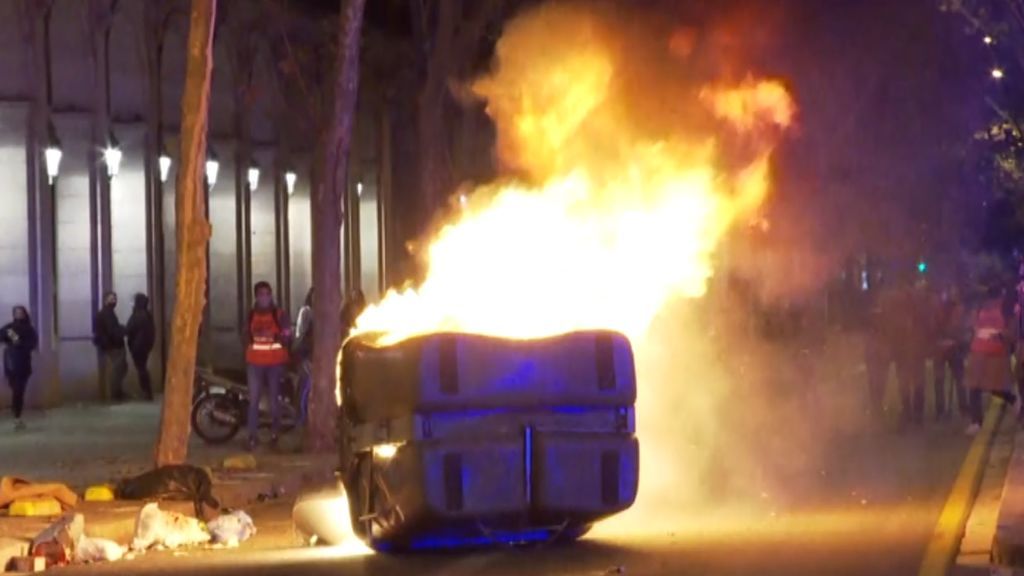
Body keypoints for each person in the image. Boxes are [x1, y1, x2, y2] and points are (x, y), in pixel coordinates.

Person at [244, 281, 292, 450]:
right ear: (256, 296)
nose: (264, 297)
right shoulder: (251, 315)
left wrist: (273, 335)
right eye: (261, 294)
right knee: (254, 401)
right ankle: (252, 436)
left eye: (267, 293)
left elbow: (287, 335)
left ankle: (275, 434)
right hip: (255, 363)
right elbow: (245, 335)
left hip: (274, 363)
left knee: (274, 400)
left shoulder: (279, 314)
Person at [966, 285, 1016, 436]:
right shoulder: (980, 309)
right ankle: (976, 422)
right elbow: (974, 326)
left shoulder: (1006, 310)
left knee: (996, 388)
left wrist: (1000, 335)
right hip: (979, 352)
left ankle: (1016, 402)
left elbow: (1011, 332)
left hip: (996, 355)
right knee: (975, 388)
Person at [933, 286, 969, 420]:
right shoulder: (958, 310)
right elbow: (959, 330)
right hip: (952, 347)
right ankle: (962, 407)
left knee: (940, 380)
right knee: (958, 378)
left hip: (941, 347)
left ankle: (941, 410)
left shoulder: (938, 310)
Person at [1, 306, 38, 431]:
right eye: (16, 313)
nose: (18, 314)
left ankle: (17, 416)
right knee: (15, 389)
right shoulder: (8, 327)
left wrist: (20, 344)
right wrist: (9, 340)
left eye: (20, 312)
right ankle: (16, 415)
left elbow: (32, 344)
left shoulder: (29, 329)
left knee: (19, 390)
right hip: (11, 363)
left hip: (23, 363)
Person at [93, 291, 128, 402]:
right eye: (111, 299)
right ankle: (116, 394)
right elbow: (112, 330)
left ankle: (117, 392)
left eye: (115, 299)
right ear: (105, 300)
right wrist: (123, 330)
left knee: (120, 368)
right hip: (113, 345)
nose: (114, 301)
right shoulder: (108, 314)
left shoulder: (105, 313)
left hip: (109, 345)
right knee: (118, 370)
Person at [125, 293, 156, 401]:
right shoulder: (147, 314)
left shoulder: (138, 315)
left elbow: (129, 329)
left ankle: (146, 392)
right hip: (144, 346)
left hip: (137, 347)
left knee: (141, 369)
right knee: (142, 369)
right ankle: (147, 392)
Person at [292, 288, 314, 427]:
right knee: (305, 389)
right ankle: (302, 420)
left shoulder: (326, 312)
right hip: (307, 356)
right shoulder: (306, 312)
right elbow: (300, 336)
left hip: (315, 357)